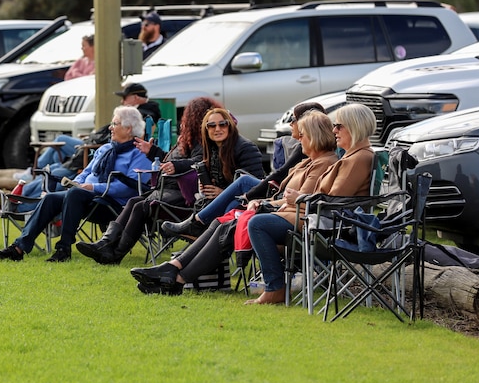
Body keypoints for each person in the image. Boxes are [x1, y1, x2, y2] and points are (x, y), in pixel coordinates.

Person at [130, 110, 339, 295]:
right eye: (211, 125)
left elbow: (299, 199)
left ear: (314, 136)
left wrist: (261, 203)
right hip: (277, 210)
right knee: (222, 221)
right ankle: (174, 270)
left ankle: (177, 273)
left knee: (234, 213)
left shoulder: (320, 163)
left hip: (292, 219)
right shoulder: (306, 161)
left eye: (302, 135)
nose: (298, 139)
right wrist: (261, 202)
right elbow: (284, 193)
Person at [244, 103, 377, 304]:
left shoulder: (358, 159)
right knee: (257, 221)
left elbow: (334, 201)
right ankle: (276, 284)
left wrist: (299, 198)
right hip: (321, 218)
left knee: (258, 224)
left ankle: (275, 288)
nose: (334, 131)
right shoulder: (352, 157)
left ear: (354, 126)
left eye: (339, 126)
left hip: (329, 224)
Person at [0, 106, 152, 263]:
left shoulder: (140, 154)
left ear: (128, 129)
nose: (110, 127)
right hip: (85, 197)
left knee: (75, 194)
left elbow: (130, 186)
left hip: (112, 205)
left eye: (115, 124)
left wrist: (93, 188)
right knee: (51, 198)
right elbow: (87, 172)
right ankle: (18, 248)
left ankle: (64, 249)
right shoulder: (106, 149)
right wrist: (77, 183)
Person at [74, 97, 223, 264]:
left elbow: (198, 161)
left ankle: (115, 254)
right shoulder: (188, 140)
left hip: (184, 194)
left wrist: (176, 165)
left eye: (186, 117)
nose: (183, 122)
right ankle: (105, 244)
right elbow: (169, 161)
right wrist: (152, 151)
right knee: (133, 202)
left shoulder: (202, 142)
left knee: (141, 206)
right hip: (168, 188)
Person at [160, 102, 326, 239]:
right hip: (272, 196)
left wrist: (245, 195)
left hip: (277, 197)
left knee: (243, 183)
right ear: (205, 129)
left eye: (294, 119)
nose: (290, 124)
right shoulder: (210, 149)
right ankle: (206, 247)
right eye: (211, 125)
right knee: (233, 204)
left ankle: (198, 225)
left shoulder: (245, 147)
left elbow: (276, 175)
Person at [0, 83, 163, 208]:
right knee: (53, 168)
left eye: (125, 97)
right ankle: (18, 195)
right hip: (95, 151)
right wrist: (77, 181)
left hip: (92, 155)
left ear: (135, 98)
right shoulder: (119, 128)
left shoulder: (144, 113)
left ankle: (19, 197)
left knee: (57, 164)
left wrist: (85, 183)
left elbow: (125, 185)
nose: (122, 101)